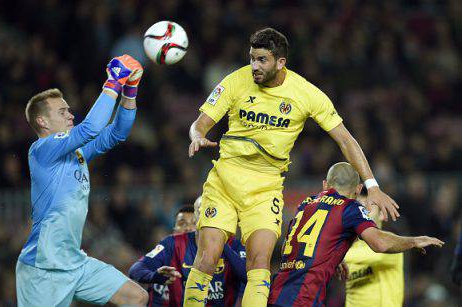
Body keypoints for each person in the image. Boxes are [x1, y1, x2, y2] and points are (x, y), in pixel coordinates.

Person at [185, 27, 399, 306]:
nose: (254, 66)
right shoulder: (235, 81)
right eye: (252, 58)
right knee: (208, 255)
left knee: (259, 261)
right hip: (225, 178)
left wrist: (372, 186)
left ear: (280, 62)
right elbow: (200, 122)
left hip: (265, 187)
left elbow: (346, 140)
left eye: (262, 60)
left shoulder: (306, 94)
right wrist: (197, 136)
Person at [16, 55, 148, 306]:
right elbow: (91, 127)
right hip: (43, 270)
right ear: (42, 121)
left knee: (136, 297)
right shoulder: (41, 150)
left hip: (75, 262)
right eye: (62, 111)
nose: (70, 115)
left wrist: (129, 91)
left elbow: (117, 133)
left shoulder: (77, 154)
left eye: (69, 109)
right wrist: (113, 82)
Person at [268, 162, 444, 306]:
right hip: (303, 298)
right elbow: (380, 244)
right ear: (358, 189)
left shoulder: (305, 204)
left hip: (277, 293)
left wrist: (332, 256)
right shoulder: (350, 208)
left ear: (325, 185)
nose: (365, 207)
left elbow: (298, 243)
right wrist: (414, 241)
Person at [129, 197, 247, 306]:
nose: (208, 216)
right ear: (196, 216)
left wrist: (222, 243)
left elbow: (248, 277)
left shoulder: (234, 245)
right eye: (203, 211)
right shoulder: (172, 243)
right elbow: (135, 270)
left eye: (213, 211)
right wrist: (154, 276)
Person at [343, 194, 404, 306]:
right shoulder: (348, 248)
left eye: (367, 208)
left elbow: (378, 252)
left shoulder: (391, 242)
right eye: (359, 209)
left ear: (381, 214)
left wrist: (334, 254)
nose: (362, 213)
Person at [145, 204, 198, 305]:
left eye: (194, 223)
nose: (188, 228)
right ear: (174, 229)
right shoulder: (161, 257)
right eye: (182, 223)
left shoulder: (209, 263)